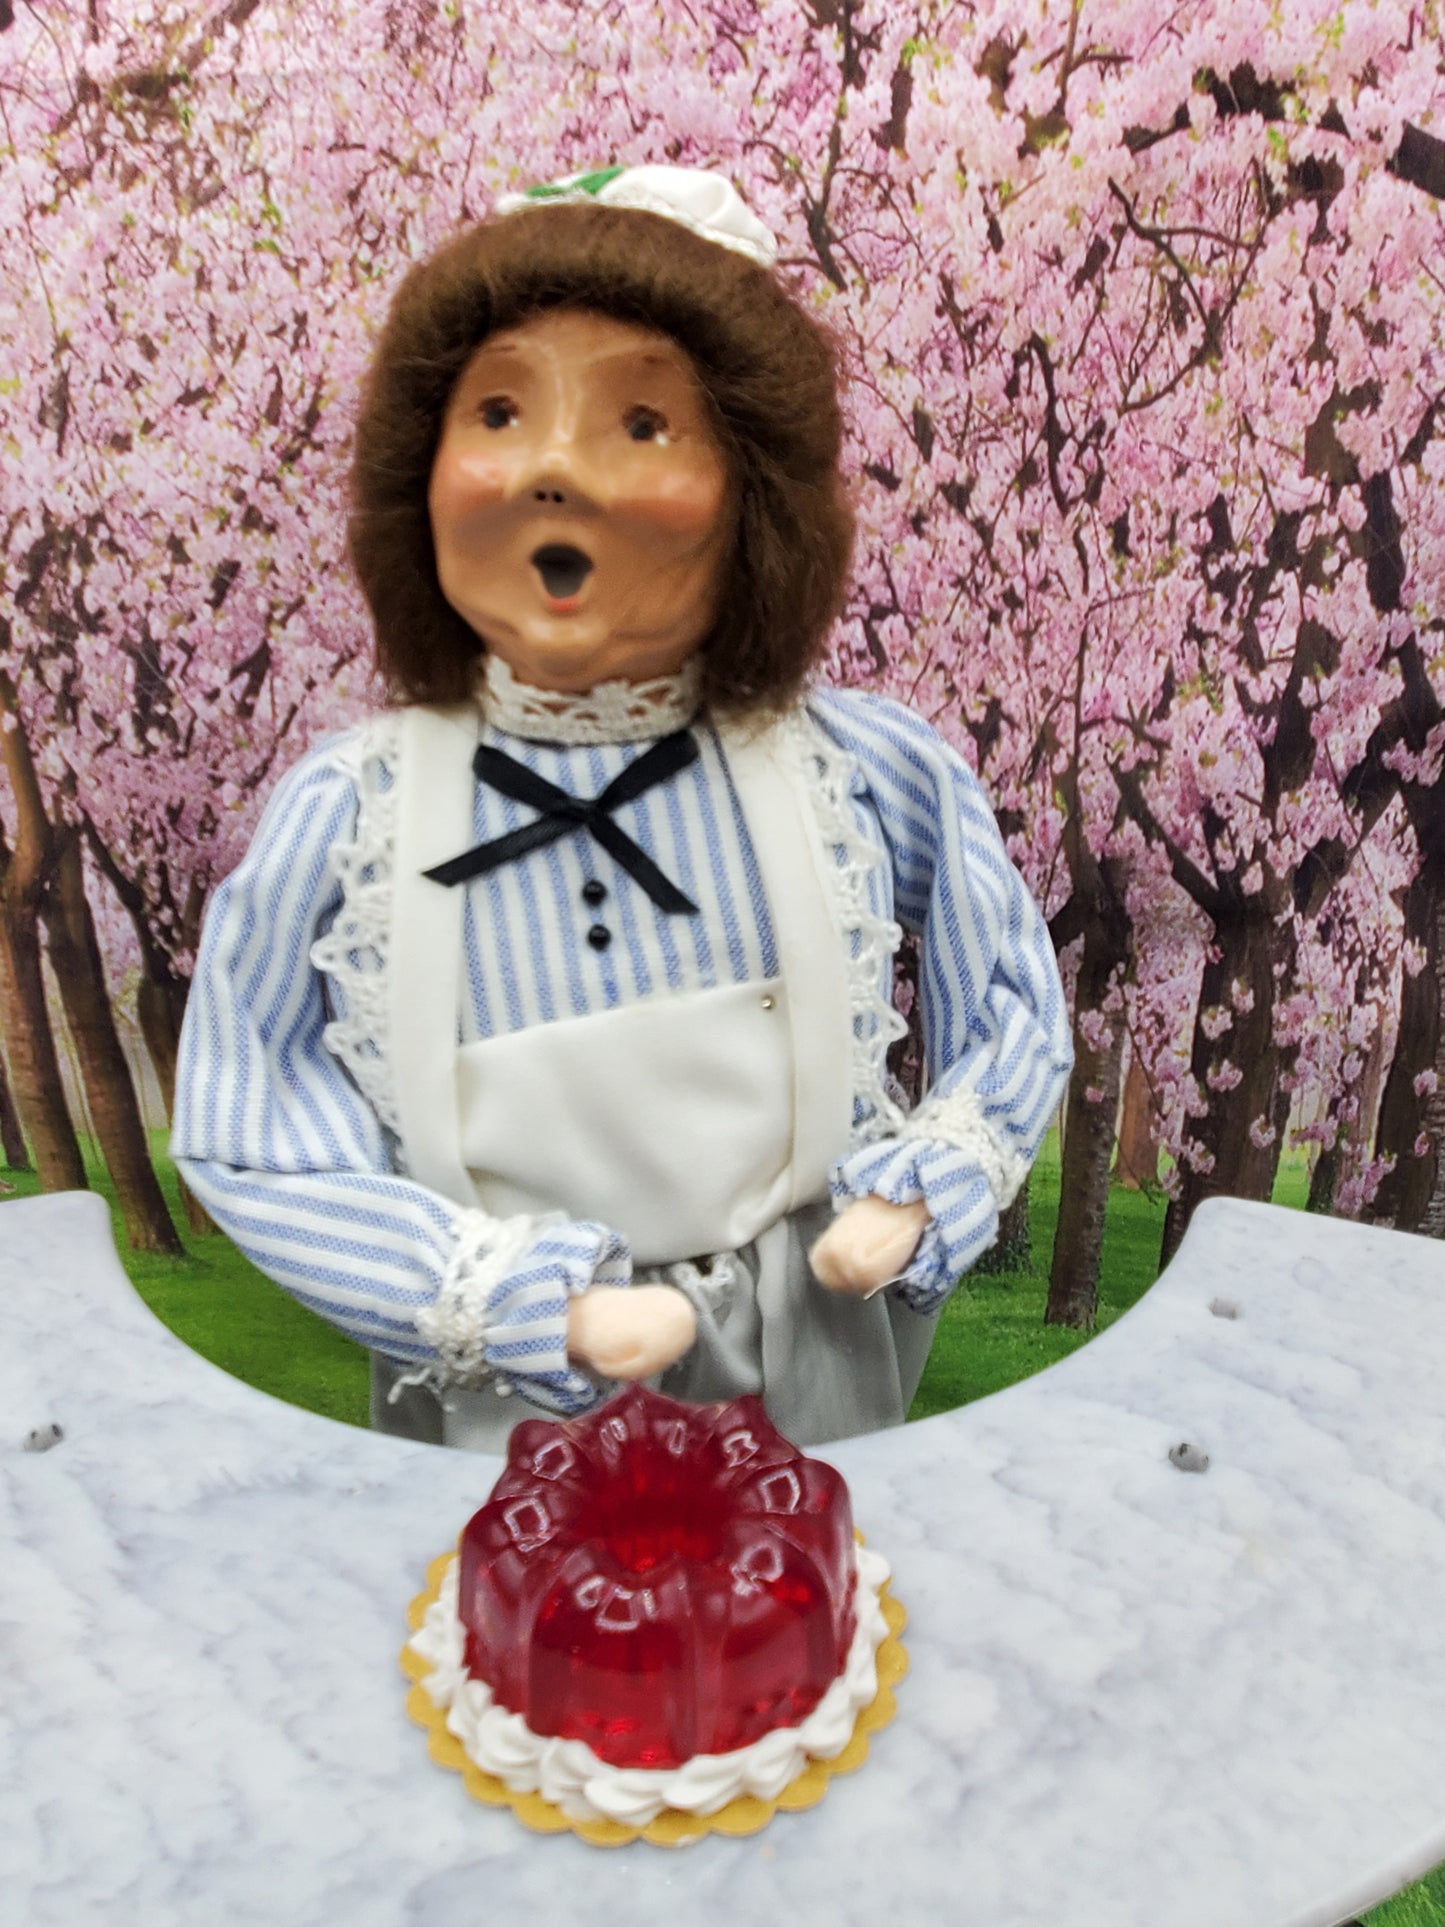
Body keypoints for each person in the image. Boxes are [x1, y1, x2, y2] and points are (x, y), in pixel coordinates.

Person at [172, 165, 1072, 1450]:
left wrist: (929, 1184)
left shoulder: (858, 772)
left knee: (815, 1561)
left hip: (803, 1362)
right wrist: (507, 1300)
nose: (551, 466)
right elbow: (246, 1117)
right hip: (503, 1401)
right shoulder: (355, 818)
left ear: (754, 492)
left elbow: (1011, 998)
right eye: (498, 411)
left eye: (641, 423)